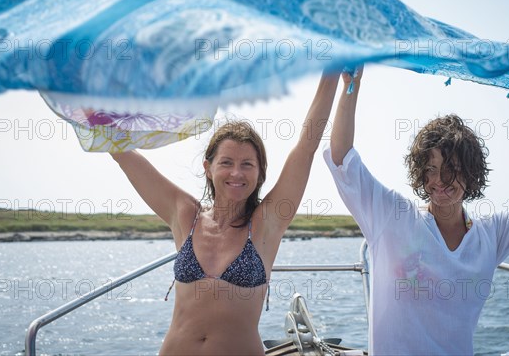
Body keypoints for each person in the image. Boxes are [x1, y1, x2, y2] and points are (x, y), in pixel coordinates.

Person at [324, 66, 509, 355]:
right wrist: (352, 86)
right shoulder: (392, 218)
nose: (439, 181)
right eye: (431, 169)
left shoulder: (489, 237)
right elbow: (342, 160)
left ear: (470, 173)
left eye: (451, 169)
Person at [110, 70, 342, 355]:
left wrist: (332, 73)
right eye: (226, 162)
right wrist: (72, 100)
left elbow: (306, 147)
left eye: (247, 164)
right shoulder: (185, 216)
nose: (236, 172)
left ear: (260, 174)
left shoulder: (266, 223)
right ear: (209, 168)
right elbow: (120, 150)